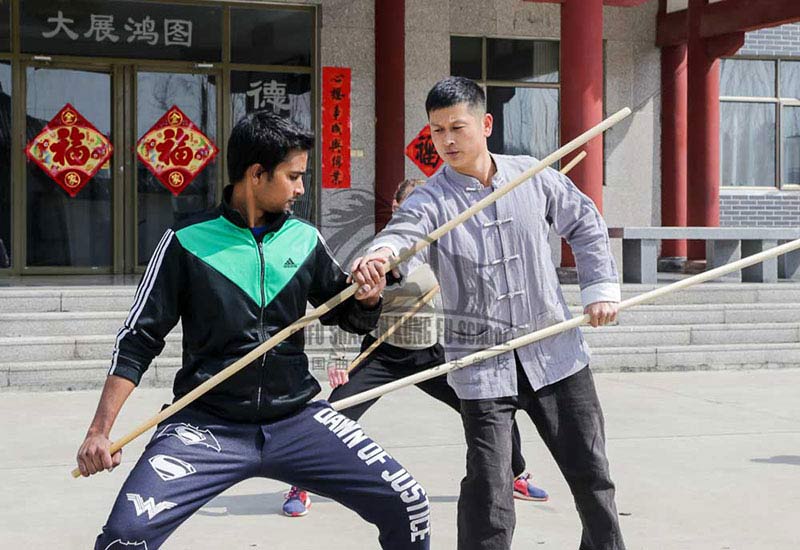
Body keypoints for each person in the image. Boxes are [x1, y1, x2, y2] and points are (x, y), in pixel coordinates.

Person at [76, 112, 431, 550]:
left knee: (410, 503)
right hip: (205, 426)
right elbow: (137, 340)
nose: (301, 189)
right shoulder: (186, 240)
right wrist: (99, 431)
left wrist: (370, 296)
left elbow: (348, 316)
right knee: (124, 539)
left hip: (296, 419)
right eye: (293, 176)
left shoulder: (303, 239)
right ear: (256, 174)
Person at [351, 76, 625, 550]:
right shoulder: (431, 199)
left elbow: (584, 222)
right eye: (437, 131)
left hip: (555, 354)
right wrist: (378, 258)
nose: (447, 140)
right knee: (489, 487)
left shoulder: (531, 175)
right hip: (480, 365)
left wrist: (598, 290)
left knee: (591, 475)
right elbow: (403, 233)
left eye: (457, 127)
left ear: (486, 123)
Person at [281, 178, 548, 518]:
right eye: (406, 211)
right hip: (383, 353)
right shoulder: (378, 253)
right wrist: (338, 357)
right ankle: (300, 483)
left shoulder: (446, 246)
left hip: (432, 354)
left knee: (490, 403)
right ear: (395, 211)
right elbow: (351, 303)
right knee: (333, 417)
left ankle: (514, 474)